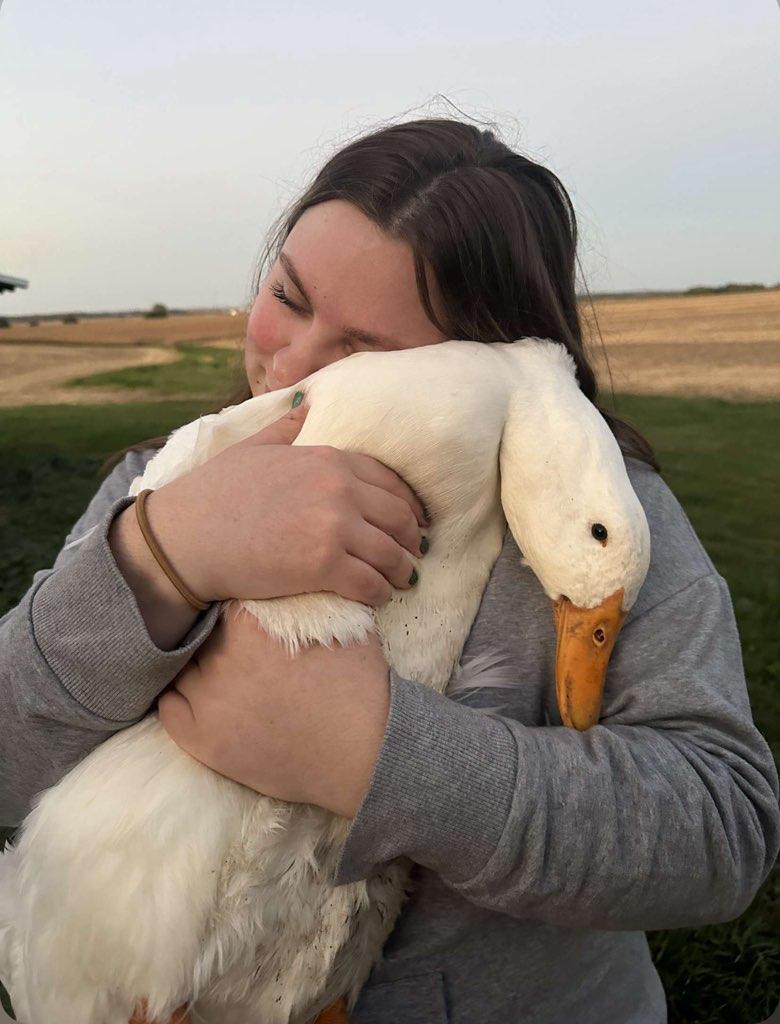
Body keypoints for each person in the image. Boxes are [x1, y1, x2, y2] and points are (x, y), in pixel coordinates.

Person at [1, 117, 778, 1024]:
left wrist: (380, 756)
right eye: (288, 295)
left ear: (489, 365)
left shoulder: (597, 528)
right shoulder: (163, 480)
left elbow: (722, 829)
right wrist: (162, 556)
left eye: (368, 352)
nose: (289, 361)